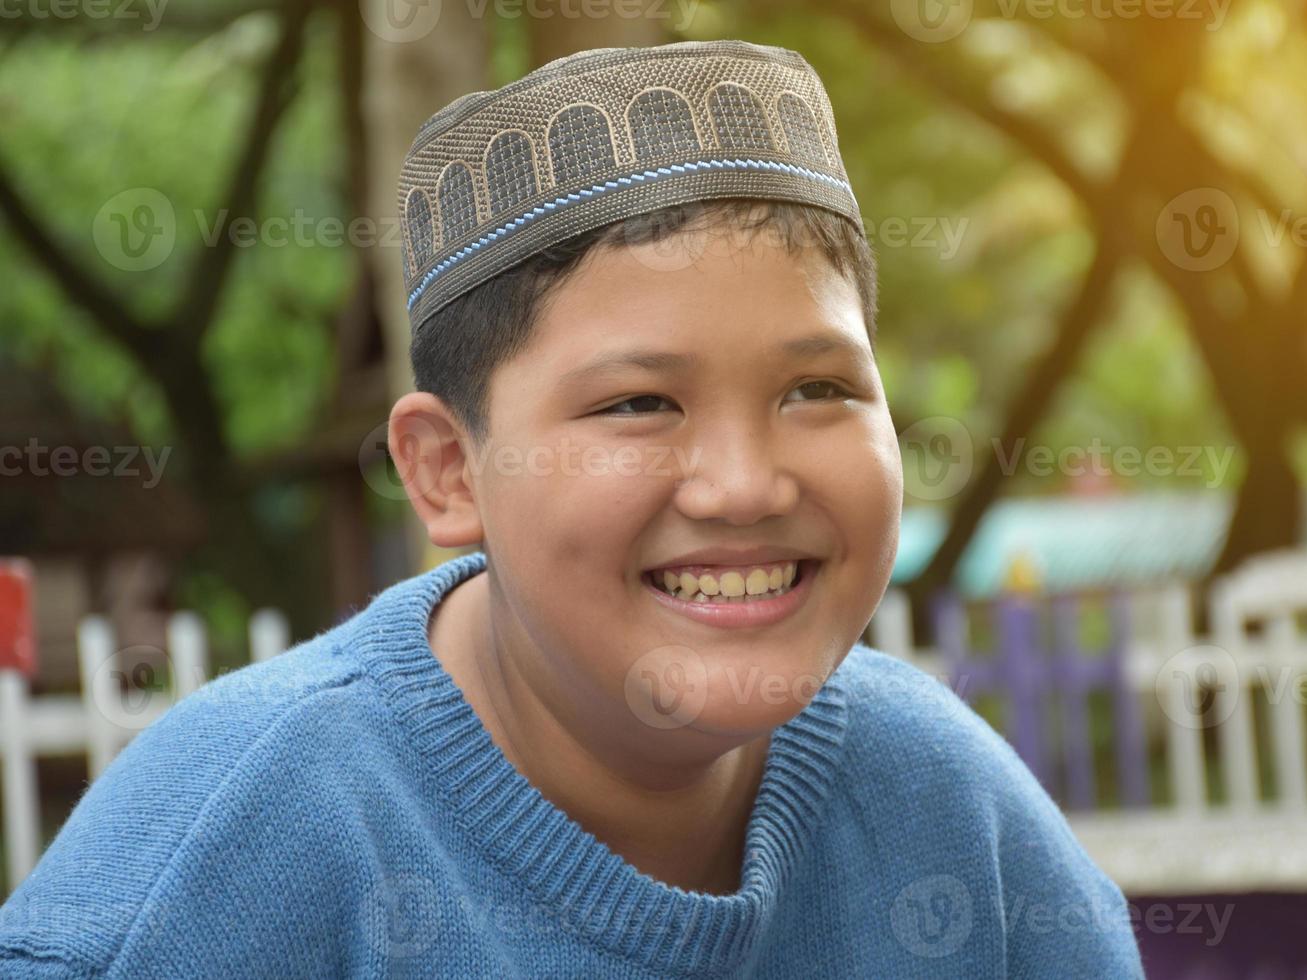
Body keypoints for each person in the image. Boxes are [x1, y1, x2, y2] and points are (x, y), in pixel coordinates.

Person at [0, 39, 1144, 978]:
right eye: (640, 402)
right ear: (448, 470)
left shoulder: (956, 817)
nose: (745, 484)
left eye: (819, 389)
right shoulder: (237, 853)